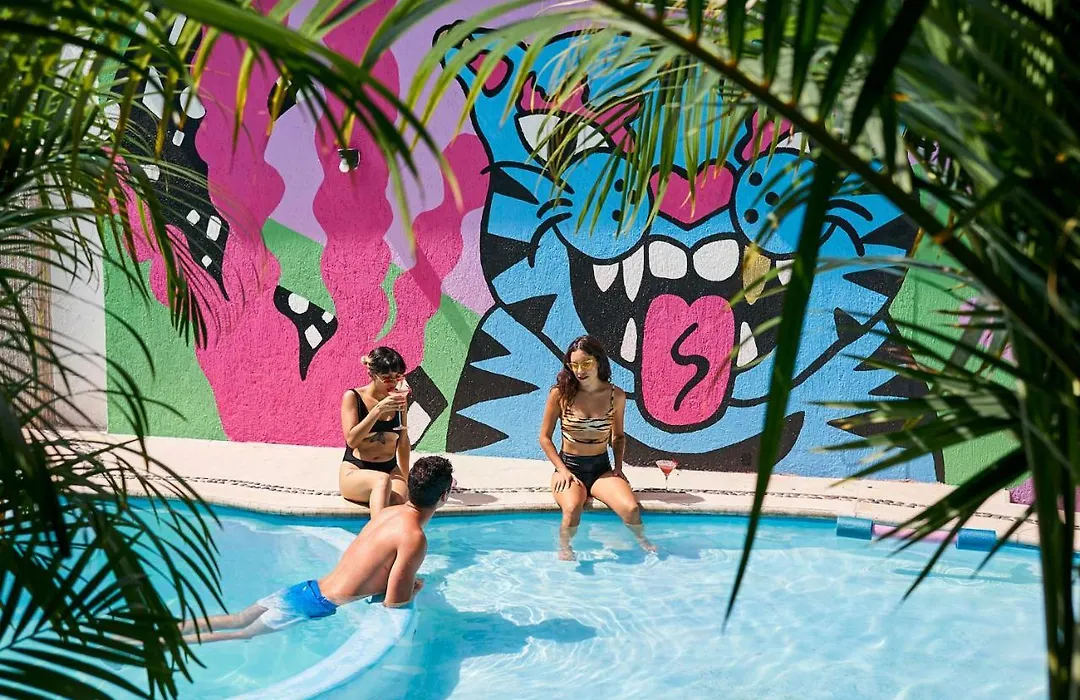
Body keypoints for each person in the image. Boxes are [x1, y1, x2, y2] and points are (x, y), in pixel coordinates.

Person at [180, 456, 454, 644]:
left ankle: (167, 632)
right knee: (242, 634)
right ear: (443, 496)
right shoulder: (413, 537)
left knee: (237, 620)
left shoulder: (387, 513)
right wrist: (413, 591)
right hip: (316, 603)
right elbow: (394, 602)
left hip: (306, 588)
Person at [539, 335, 655, 560]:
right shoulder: (560, 393)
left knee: (630, 509)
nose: (579, 371)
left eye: (586, 363)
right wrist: (562, 470)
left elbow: (618, 436)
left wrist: (618, 467)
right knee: (572, 509)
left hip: (602, 469)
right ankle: (565, 547)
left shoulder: (615, 395)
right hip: (569, 468)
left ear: (599, 362)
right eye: (574, 365)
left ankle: (642, 540)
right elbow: (544, 438)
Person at [339, 347, 411, 515]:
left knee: (398, 501)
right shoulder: (353, 397)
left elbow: (403, 442)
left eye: (398, 377)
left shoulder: (400, 399)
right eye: (387, 378)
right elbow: (352, 440)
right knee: (382, 481)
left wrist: (406, 479)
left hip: (390, 468)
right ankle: (376, 530)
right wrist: (377, 410)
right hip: (356, 470)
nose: (393, 383)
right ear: (372, 374)